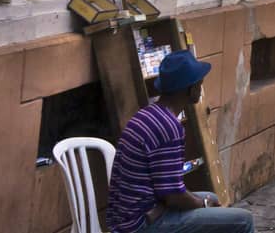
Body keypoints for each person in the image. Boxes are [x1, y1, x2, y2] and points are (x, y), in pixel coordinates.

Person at [105, 51, 255, 232]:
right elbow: (173, 196)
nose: (200, 89)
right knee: (243, 220)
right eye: (199, 85)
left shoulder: (147, 114)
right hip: (141, 224)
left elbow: (167, 189)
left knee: (210, 197)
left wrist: (204, 202)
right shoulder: (169, 127)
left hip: (129, 215)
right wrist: (203, 205)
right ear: (191, 89)